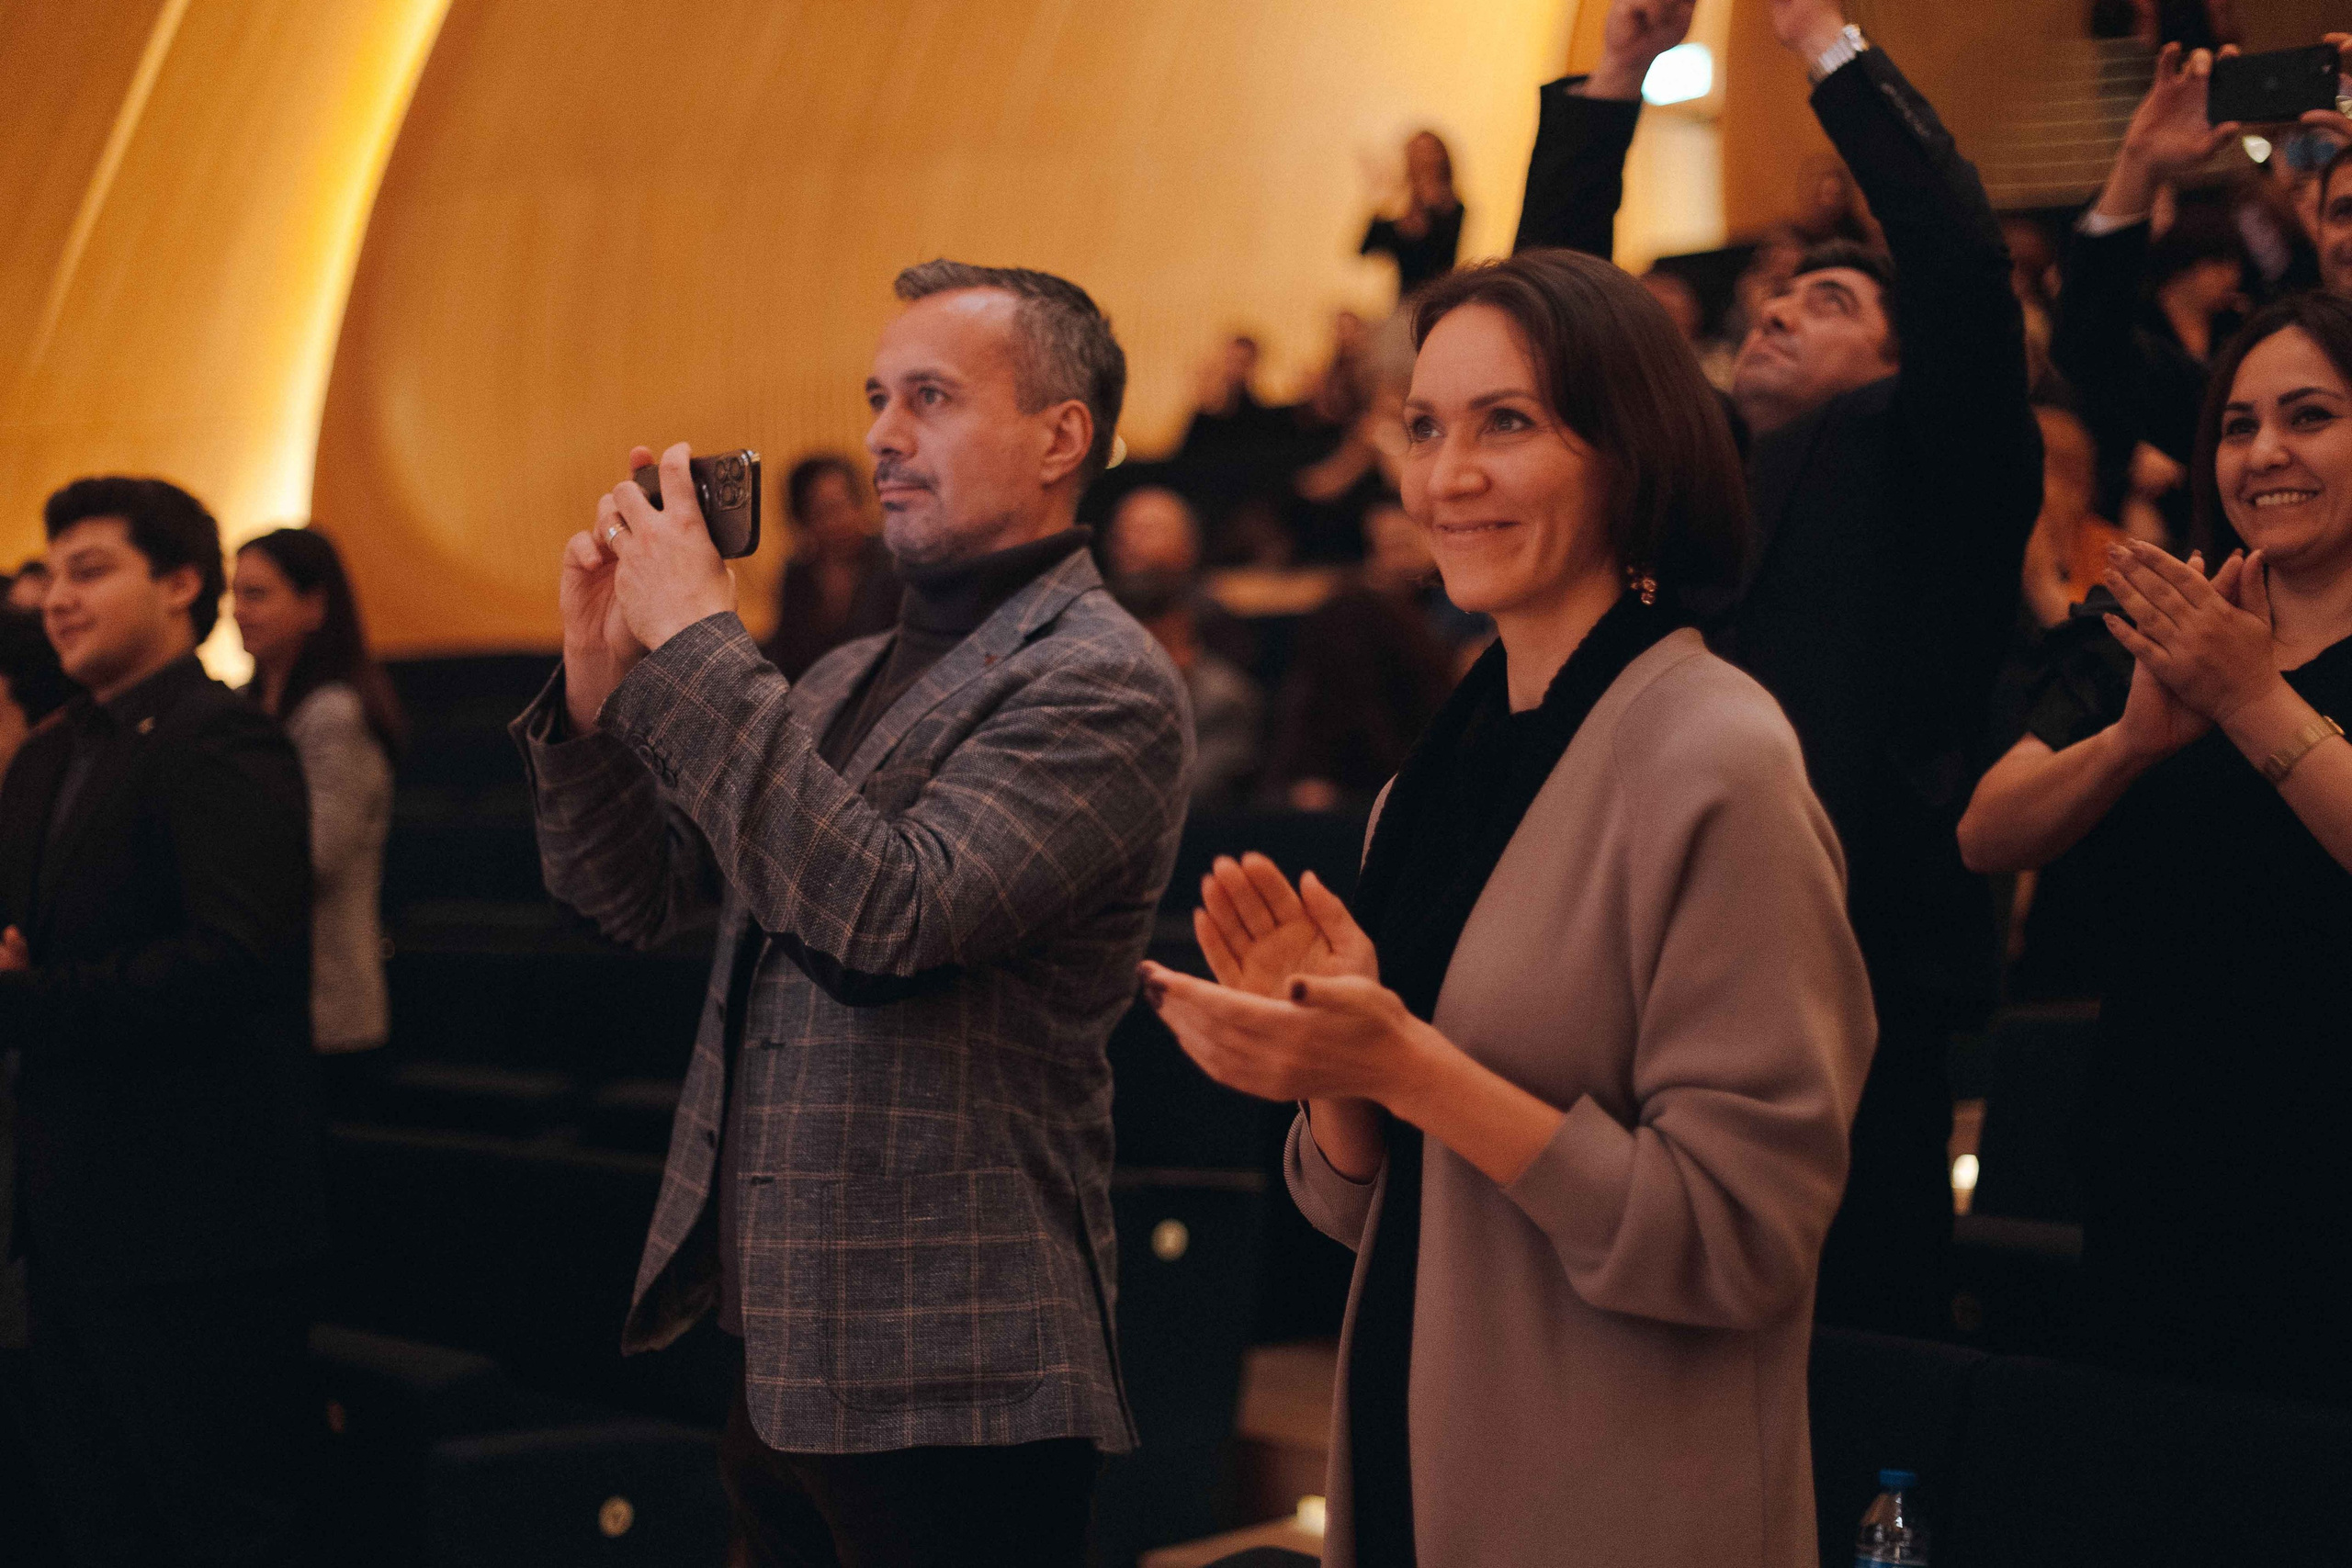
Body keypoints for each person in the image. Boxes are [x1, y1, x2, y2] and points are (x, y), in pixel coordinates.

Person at [1141, 249, 1873, 1567]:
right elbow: (1378, 1212)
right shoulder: (1438, 775)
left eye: (1507, 423)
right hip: (1422, 1457)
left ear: (1628, 452)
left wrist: (1408, 1063)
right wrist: (1338, 1068)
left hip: (1617, 1491)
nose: (1447, 475)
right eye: (1424, 426)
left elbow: (1743, 1238)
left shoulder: (1716, 753)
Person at [513, 261, 1192, 1566]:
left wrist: (704, 643)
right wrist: (601, 689)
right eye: (879, 397)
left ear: (1063, 436)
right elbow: (625, 897)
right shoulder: (834, 678)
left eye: (929, 397)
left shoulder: (1104, 679)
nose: (881, 434)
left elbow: (889, 914)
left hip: (960, 1358)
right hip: (787, 1337)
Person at [1516, 0, 2043, 1336]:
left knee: (1861, 1355)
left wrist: (1822, 44)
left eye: (1832, 298)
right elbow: (1558, 326)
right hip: (1657, 958)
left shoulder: (1929, 452)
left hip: (1858, 962)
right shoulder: (1694, 490)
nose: (1778, 310)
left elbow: (1959, 267)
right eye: (1774, 295)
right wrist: (1618, 75)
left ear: (1899, 352)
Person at [1958, 292, 2352, 1404]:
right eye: (2237, 425)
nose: (2265, 451)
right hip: (2161, 1151)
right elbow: (1989, 830)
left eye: (2309, 415)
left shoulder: (2224, 661)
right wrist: (2129, 744)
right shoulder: (2154, 616)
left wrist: (2250, 696)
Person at [0, 477, 320, 1566]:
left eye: (91, 571)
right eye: (51, 576)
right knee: (92, 1516)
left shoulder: (221, 737)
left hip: (193, 1218)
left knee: (213, 1517)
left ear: (183, 585)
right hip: (64, 1207)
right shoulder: (46, 753)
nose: (57, 599)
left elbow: (237, 959)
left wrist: (30, 999)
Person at [233, 527, 403, 1070]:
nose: (237, 611)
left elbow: (315, 856)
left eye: (256, 594)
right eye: (232, 594)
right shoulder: (239, 707)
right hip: (262, 996)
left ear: (314, 605)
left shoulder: (335, 712)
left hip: (324, 1000)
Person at [1102, 487, 1263, 812]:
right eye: (1126, 533)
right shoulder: (1092, 625)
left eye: (1150, 530)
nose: (1134, 542)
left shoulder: (1220, 675)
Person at [763, 454, 900, 681]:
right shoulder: (798, 574)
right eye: (823, 512)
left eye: (846, 505)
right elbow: (787, 654)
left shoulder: (892, 564)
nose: (839, 521)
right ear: (802, 519)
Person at [1361, 130, 1464, 298]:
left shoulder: (1450, 208)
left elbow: (1432, 253)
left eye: (1427, 152)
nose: (1421, 160)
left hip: (1434, 298)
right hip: (1403, 299)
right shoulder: (1402, 204)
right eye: (1415, 152)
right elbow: (1369, 247)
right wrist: (1385, 196)